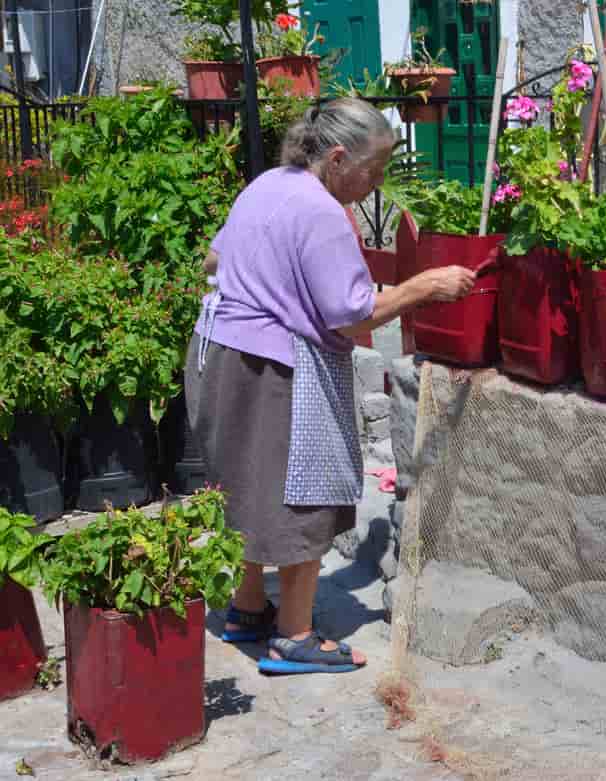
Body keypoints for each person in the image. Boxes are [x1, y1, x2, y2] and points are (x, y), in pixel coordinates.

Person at [185, 99, 475, 675]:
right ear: (339, 158)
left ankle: (246, 607)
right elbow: (353, 315)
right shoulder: (321, 211)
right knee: (303, 491)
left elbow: (213, 260)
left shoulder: (269, 184)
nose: (378, 183)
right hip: (271, 365)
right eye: (374, 168)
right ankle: (293, 635)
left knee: (245, 484)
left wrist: (268, 283)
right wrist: (425, 286)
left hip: (216, 350)